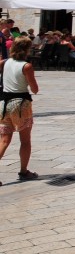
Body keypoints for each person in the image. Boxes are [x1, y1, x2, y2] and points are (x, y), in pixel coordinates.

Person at [0, 36, 40, 185]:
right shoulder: (26, 66)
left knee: (4, 140)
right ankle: (24, 171)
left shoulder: (4, 63)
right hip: (20, 104)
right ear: (27, 50)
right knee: (25, 141)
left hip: (3, 103)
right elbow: (35, 89)